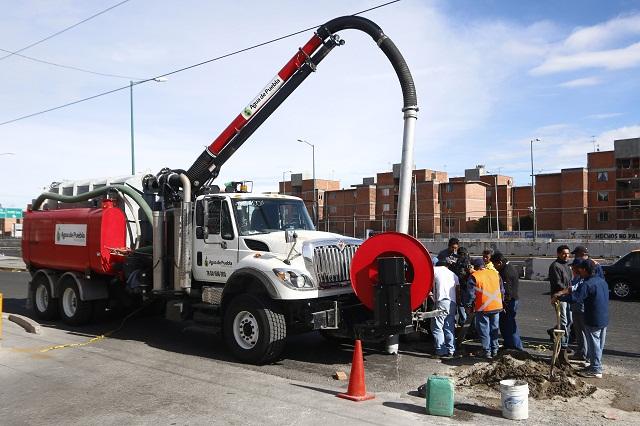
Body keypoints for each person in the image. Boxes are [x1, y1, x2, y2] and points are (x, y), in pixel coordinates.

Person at [552, 258, 609, 378]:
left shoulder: (588, 284)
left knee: (593, 344)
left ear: (584, 269)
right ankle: (595, 364)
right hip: (604, 317)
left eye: (579, 269)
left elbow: (575, 298)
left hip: (593, 318)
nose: (578, 271)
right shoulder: (601, 280)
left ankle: (596, 369)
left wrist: (559, 298)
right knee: (599, 344)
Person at [464, 257, 504, 359]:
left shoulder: (474, 276)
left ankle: (487, 352)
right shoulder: (495, 273)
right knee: (494, 329)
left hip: (483, 308)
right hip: (497, 306)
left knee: (484, 330)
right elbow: (502, 290)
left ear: (475, 267)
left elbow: (471, 294)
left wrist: (468, 306)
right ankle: (495, 350)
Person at [492, 252, 524, 351]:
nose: (494, 267)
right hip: (511, 300)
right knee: (506, 323)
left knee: (510, 324)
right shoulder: (508, 267)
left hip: (510, 302)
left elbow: (507, 291)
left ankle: (516, 347)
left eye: (495, 264)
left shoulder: (506, 272)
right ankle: (509, 344)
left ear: (500, 262)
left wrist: (504, 305)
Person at [430, 257, 459, 359]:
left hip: (441, 301)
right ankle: (451, 350)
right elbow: (458, 290)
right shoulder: (453, 274)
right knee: (449, 327)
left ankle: (440, 351)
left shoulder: (434, 270)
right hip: (452, 302)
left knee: (437, 326)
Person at [548, 245, 573, 352]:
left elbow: (570, 281)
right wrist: (568, 290)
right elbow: (558, 284)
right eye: (564, 253)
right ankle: (563, 344)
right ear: (558, 254)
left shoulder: (567, 265)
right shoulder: (555, 266)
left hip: (568, 296)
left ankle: (553, 331)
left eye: (568, 253)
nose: (566, 255)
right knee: (563, 321)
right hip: (559, 298)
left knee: (569, 320)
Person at [569, 262, 589, 363]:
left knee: (582, 332)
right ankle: (582, 353)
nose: (571, 269)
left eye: (573, 268)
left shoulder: (579, 280)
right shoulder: (578, 279)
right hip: (578, 308)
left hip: (580, 308)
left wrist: (561, 296)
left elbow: (574, 293)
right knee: (580, 332)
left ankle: (585, 354)